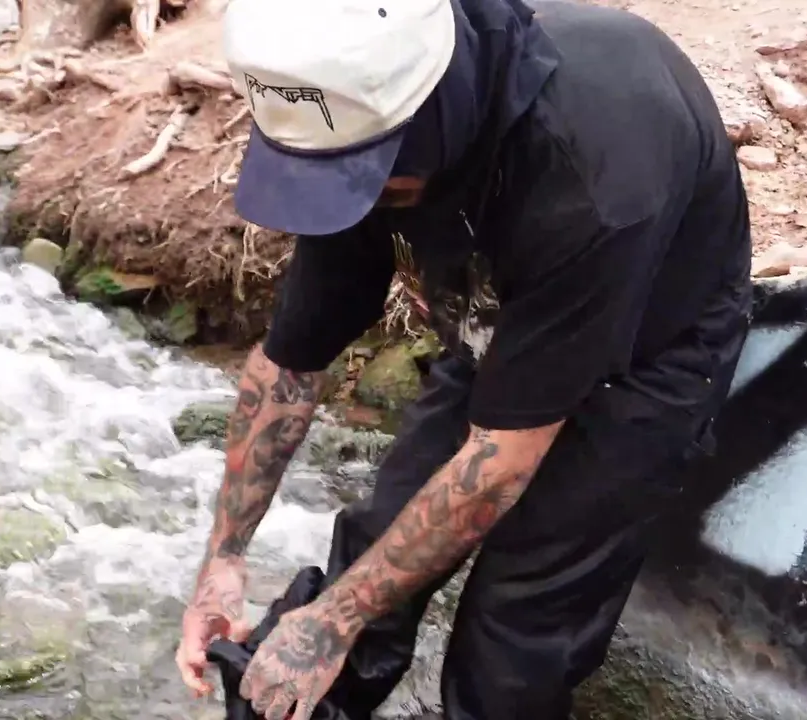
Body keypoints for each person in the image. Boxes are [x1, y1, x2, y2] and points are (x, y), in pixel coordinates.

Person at [173, 0, 753, 715]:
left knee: (514, 633)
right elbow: (291, 365)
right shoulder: (349, 120)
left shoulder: (590, 175)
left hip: (648, 352)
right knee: (371, 560)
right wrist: (223, 561)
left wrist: (331, 622)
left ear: (428, 122)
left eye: (378, 187)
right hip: (502, 310)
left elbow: (500, 463)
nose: (364, 205)